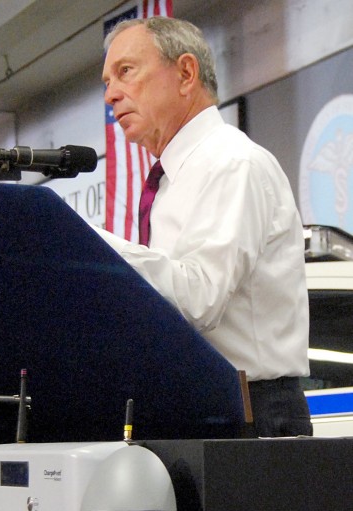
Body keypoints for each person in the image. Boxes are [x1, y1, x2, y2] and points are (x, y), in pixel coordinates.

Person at [99, 17, 312, 437]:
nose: (111, 95)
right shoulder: (171, 180)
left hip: (252, 415)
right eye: (106, 82)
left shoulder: (233, 162)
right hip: (196, 407)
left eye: (125, 72)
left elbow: (199, 298)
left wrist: (93, 247)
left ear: (185, 74)